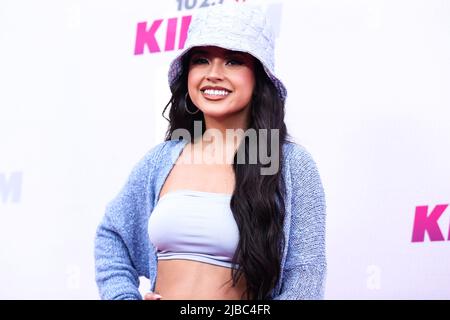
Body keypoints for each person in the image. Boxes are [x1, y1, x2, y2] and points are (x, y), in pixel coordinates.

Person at [94, 2, 327, 300]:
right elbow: (112, 236)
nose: (214, 74)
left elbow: (305, 280)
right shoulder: (161, 160)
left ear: (259, 76)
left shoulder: (291, 166)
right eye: (201, 60)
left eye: (233, 61)